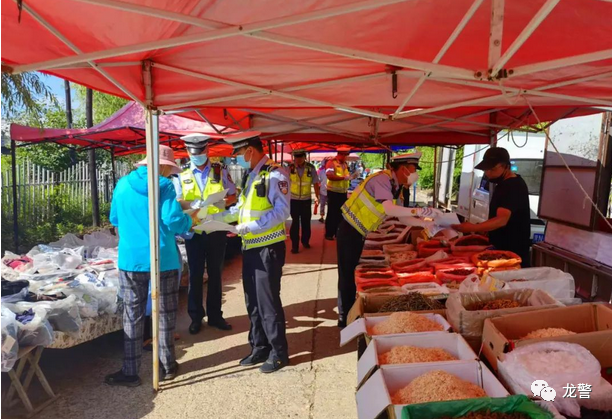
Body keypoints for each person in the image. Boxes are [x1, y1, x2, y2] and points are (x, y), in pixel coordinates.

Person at [106, 145, 198, 387]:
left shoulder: (122, 184)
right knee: (165, 314)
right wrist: (190, 219)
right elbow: (173, 220)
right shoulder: (164, 185)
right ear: (163, 166)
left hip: (130, 260)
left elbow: (114, 218)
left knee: (132, 316)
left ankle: (130, 371)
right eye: (169, 169)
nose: (169, 174)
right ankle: (167, 365)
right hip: (162, 258)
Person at [213, 133, 290, 373]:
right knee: (253, 302)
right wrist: (218, 218)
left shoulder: (275, 174)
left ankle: (279, 353)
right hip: (250, 247)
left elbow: (281, 212)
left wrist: (248, 227)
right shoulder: (252, 175)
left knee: (268, 302)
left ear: (250, 150)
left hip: (268, 248)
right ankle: (259, 347)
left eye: (238, 154)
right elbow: (241, 207)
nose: (237, 159)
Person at [336, 154, 442, 327]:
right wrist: (419, 212)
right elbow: (389, 209)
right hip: (349, 229)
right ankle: (344, 318)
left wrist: (425, 223)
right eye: (414, 170)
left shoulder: (395, 186)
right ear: (403, 169)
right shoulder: (382, 180)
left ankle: (350, 314)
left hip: (359, 232)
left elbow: (402, 217)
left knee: (351, 272)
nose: (415, 175)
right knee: (347, 275)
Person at [174, 134, 236, 334]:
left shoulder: (220, 170)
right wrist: (192, 206)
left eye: (200, 152)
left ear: (207, 150)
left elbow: (233, 195)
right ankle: (195, 317)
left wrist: (221, 202)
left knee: (216, 273)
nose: (197, 155)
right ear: (188, 152)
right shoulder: (181, 175)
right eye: (194, 153)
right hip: (194, 231)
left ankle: (215, 316)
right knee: (195, 274)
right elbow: (178, 202)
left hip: (216, 228)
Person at [452, 147, 531, 267]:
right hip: (501, 249)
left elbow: (502, 220)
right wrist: (486, 229)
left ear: (506, 166)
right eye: (486, 170)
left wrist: (473, 227)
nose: (488, 173)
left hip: (512, 253)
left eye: (492, 169)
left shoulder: (512, 186)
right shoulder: (504, 184)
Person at [288, 149, 320, 253]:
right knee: (295, 223)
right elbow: (285, 182)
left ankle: (305, 241)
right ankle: (295, 246)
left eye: (300, 157)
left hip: (306, 200)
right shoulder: (290, 168)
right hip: (294, 200)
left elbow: (315, 183)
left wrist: (317, 196)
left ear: (304, 157)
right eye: (296, 158)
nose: (298, 160)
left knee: (306, 222)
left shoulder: (311, 168)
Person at [325, 147, 352, 240]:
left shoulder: (345, 164)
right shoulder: (331, 163)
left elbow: (346, 176)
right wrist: (343, 178)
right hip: (333, 192)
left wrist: (351, 177)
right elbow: (330, 176)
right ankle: (329, 233)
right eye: (345, 155)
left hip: (343, 192)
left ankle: (338, 233)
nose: (346, 157)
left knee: (341, 214)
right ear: (340, 154)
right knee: (332, 213)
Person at [317, 159, 329, 223]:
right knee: (322, 204)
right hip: (322, 190)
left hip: (331, 191)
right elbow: (318, 181)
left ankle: (329, 217)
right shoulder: (321, 172)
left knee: (330, 205)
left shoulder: (332, 171)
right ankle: (322, 217)